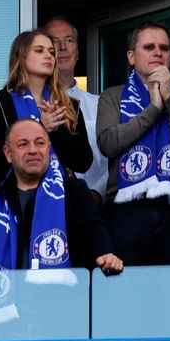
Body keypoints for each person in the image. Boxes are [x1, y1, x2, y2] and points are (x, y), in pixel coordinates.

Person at [97, 21, 170, 266]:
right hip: (128, 209)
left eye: (164, 48)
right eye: (149, 47)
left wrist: (168, 98)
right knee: (131, 293)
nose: (158, 52)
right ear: (131, 57)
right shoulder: (113, 96)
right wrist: (154, 110)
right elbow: (108, 142)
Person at [0, 118, 122, 281]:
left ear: (48, 148)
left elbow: (95, 231)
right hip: (6, 300)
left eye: (40, 143)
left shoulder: (74, 191)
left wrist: (106, 254)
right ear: (8, 153)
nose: (33, 150)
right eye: (23, 144)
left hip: (63, 299)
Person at [0, 29, 92, 189]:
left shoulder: (68, 105)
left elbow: (82, 162)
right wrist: (41, 128)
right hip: (13, 200)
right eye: (39, 51)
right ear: (21, 56)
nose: (49, 56)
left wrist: (55, 130)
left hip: (61, 198)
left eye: (51, 52)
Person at [44, 17, 108, 205]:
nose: (62, 47)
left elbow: (113, 157)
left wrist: (97, 193)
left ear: (78, 52)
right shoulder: (33, 103)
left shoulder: (99, 104)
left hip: (93, 207)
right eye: (54, 41)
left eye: (69, 40)